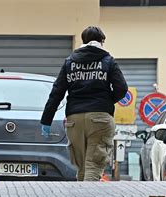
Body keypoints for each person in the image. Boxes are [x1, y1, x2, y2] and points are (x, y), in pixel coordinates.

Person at [41, 26, 128, 181]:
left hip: (75, 120)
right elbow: (122, 88)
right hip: (100, 119)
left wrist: (46, 120)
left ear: (83, 41)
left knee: (82, 168)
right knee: (93, 167)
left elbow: (57, 93)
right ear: (102, 41)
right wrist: (106, 101)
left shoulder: (70, 62)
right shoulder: (108, 61)